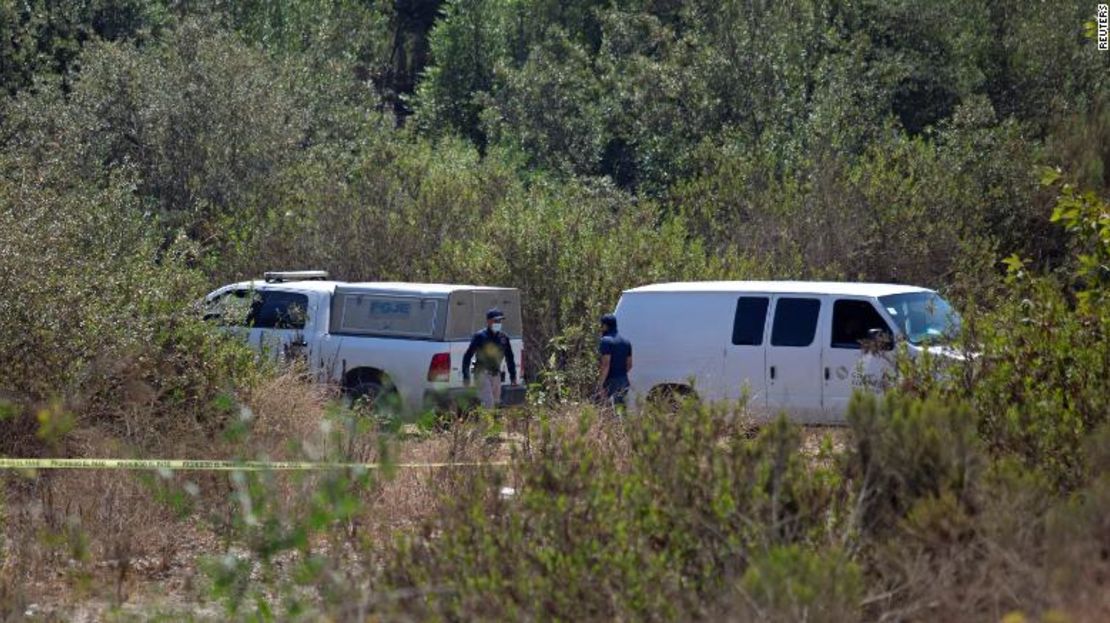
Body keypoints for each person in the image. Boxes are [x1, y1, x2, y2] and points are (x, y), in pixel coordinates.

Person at [463, 308, 518, 409]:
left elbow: (509, 357)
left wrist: (513, 376)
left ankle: (484, 424)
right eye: (496, 321)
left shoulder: (503, 338)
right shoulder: (480, 336)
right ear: (488, 321)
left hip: (496, 374)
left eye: (500, 321)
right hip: (481, 374)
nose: (498, 323)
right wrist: (466, 375)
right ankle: (488, 423)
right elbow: (468, 356)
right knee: (488, 404)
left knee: (496, 403)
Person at [597, 313, 632, 409]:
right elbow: (629, 365)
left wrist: (600, 384)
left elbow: (606, 364)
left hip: (611, 382)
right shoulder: (626, 342)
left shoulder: (605, 341)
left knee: (607, 410)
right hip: (624, 380)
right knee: (621, 410)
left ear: (605, 325)